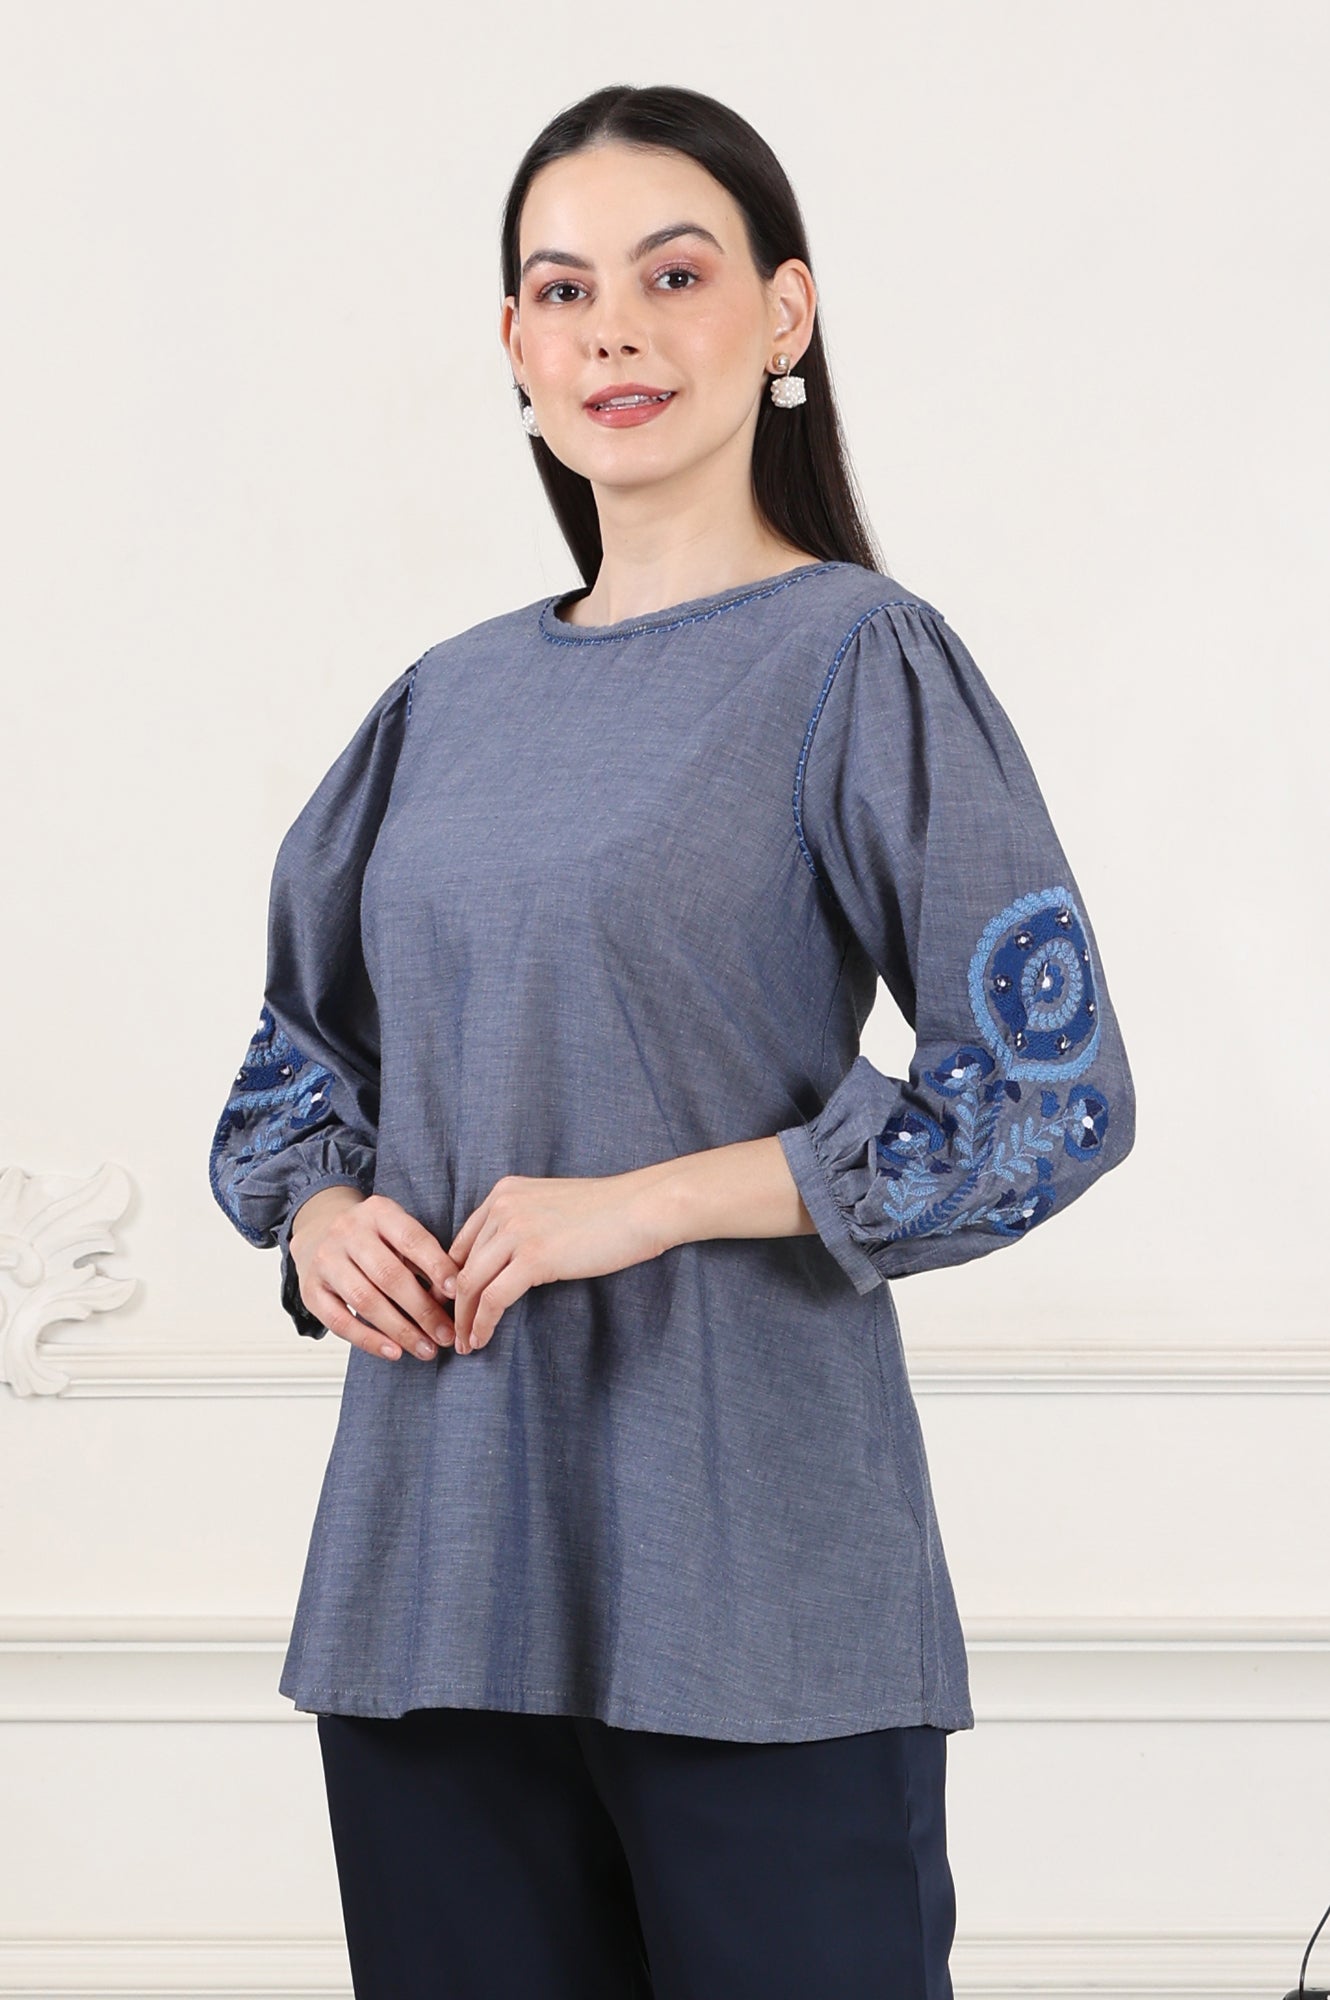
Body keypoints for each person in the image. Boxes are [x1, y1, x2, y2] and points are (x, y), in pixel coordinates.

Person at [208, 81, 1136, 2000]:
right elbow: (298, 1064)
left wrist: (647, 1202)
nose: (613, 330)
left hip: (757, 1583)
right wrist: (321, 1219)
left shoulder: (858, 658)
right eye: (563, 290)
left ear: (783, 312)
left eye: (674, 274)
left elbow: (1049, 1098)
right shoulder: (442, 702)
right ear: (514, 344)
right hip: (432, 1572)